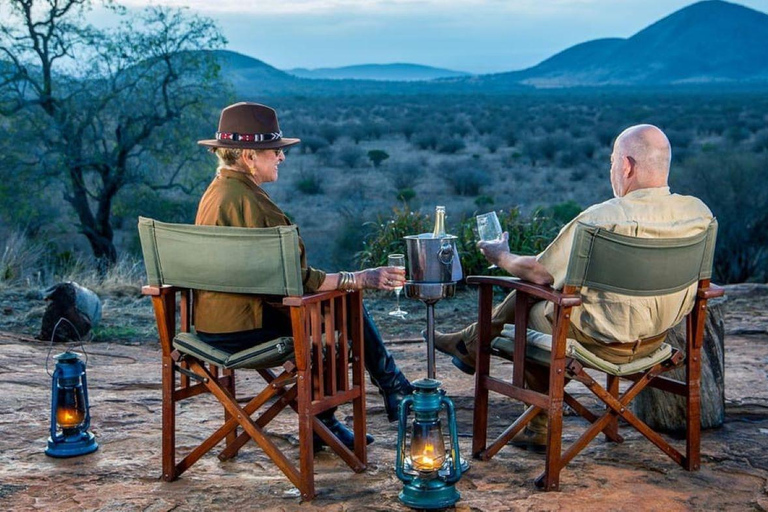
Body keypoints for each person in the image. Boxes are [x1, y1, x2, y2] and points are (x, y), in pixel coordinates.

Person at [433, 124, 713, 451]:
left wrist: (502, 256)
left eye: (612, 162)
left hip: (598, 342)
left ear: (627, 166)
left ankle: (525, 407)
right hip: (656, 340)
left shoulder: (602, 219)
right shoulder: (698, 213)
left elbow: (540, 273)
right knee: (543, 302)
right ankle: (469, 345)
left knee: (533, 305)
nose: (612, 169)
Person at [194, 102, 413, 451]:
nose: (281, 158)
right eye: (276, 151)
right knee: (339, 308)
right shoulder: (253, 204)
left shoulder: (217, 193)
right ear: (250, 156)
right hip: (241, 329)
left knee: (330, 309)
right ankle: (373, 398)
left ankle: (343, 414)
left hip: (209, 325)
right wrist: (362, 278)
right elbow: (297, 281)